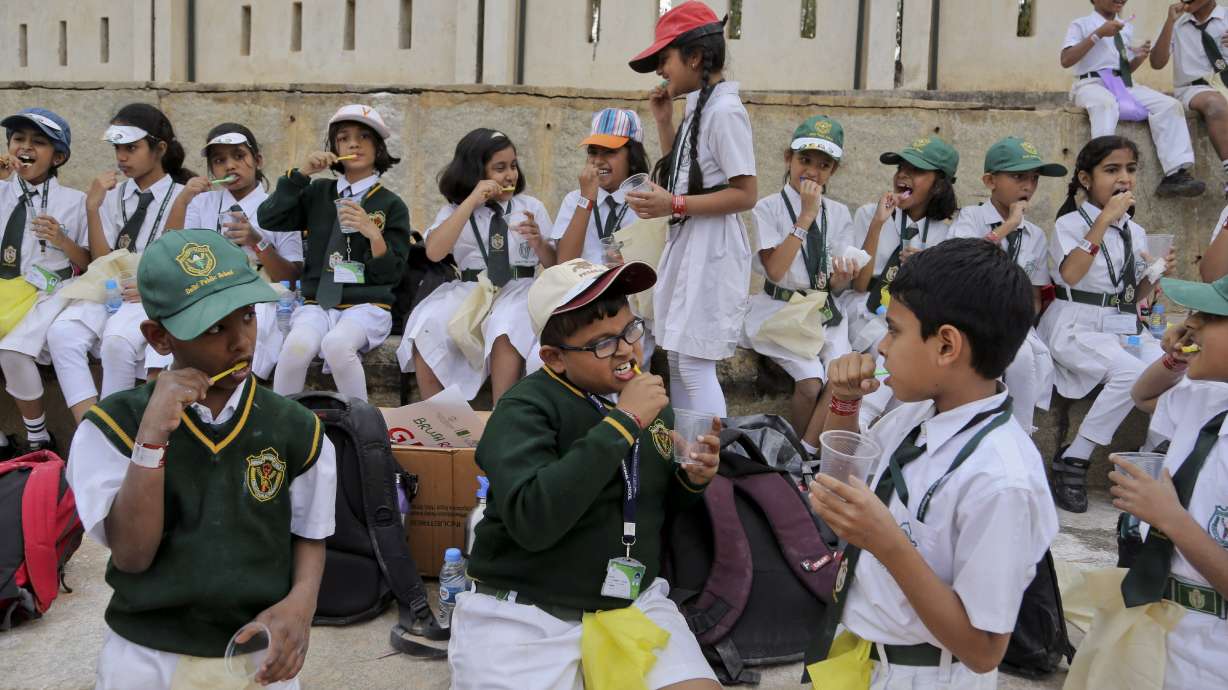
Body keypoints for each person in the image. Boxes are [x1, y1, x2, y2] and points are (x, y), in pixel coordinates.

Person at [65, 229, 336, 689]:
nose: (241, 344)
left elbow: (309, 534)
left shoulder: (297, 429)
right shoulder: (112, 426)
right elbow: (132, 554)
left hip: (257, 652)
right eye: (214, 328)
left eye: (248, 317)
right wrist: (151, 438)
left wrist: (302, 604)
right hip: (147, 654)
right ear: (160, 337)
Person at [449, 257, 720, 690]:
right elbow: (533, 520)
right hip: (525, 613)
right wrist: (622, 425)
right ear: (554, 359)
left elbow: (652, 503)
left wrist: (692, 479)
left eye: (631, 330)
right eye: (602, 344)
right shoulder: (524, 409)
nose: (627, 350)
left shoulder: (648, 403)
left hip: (630, 603)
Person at [806, 238, 1058, 689]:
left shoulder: (1001, 481)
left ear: (946, 346)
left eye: (895, 330)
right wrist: (843, 405)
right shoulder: (911, 417)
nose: (881, 347)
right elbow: (841, 493)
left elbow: (983, 651)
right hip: (859, 655)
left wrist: (887, 542)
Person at [1082, 273, 1228, 690]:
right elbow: (1143, 396)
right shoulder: (1208, 398)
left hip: (1211, 660)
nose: (1191, 323)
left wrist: (1171, 519)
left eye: (1210, 316)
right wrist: (1177, 360)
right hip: (1155, 635)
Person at [625, 0, 757, 418]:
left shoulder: (725, 112)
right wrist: (664, 123)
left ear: (695, 56)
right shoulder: (700, 107)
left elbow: (746, 193)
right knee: (680, 361)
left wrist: (674, 203)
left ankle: (705, 464)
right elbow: (683, 177)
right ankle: (689, 458)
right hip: (690, 243)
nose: (662, 70)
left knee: (696, 366)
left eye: (665, 59)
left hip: (711, 248)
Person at [1040, 135, 1176, 513]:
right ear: (1086, 179)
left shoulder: (1135, 231)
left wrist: (1156, 273)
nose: (1124, 178)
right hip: (1075, 325)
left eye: (1130, 170)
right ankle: (1075, 457)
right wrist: (1103, 220)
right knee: (1132, 374)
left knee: (1175, 368)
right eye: (1112, 170)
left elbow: (1132, 293)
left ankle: (1148, 461)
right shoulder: (1070, 223)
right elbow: (1070, 274)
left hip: (1120, 324)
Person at [47, 104, 191, 422]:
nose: (121, 157)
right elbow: (101, 260)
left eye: (132, 148)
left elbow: (182, 257)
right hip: (110, 290)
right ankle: (89, 426)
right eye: (118, 148)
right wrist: (92, 208)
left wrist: (152, 286)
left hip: (150, 294)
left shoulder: (185, 195)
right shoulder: (114, 196)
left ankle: (116, 432)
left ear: (160, 149)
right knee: (61, 333)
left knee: (116, 342)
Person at [257, 104, 410, 402]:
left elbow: (391, 273)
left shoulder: (391, 204)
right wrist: (301, 174)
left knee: (338, 347)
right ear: (334, 147)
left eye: (364, 137)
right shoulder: (317, 192)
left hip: (367, 305)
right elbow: (269, 218)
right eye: (344, 138)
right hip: (317, 303)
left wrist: (372, 232)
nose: (354, 143)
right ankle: (285, 430)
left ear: (379, 148)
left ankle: (364, 429)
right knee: (294, 348)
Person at [398, 127, 554, 404]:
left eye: (513, 166)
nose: (510, 175)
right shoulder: (455, 210)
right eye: (499, 168)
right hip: (471, 288)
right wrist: (470, 202)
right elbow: (434, 252)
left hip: (518, 287)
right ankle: (438, 418)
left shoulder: (530, 206)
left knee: (504, 327)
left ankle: (501, 414)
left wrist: (538, 242)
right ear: (475, 173)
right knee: (428, 324)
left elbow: (554, 265)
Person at [742, 115, 856, 446]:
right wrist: (805, 216)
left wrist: (842, 278)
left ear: (832, 171)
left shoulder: (838, 213)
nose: (812, 171)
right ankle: (805, 454)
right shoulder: (768, 208)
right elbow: (776, 270)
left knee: (840, 375)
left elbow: (832, 285)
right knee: (810, 382)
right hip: (780, 310)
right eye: (804, 160)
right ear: (788, 159)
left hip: (822, 310)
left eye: (823, 165)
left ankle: (808, 452)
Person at [166, 122, 304, 382]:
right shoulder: (201, 203)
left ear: (258, 160)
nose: (230, 166)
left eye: (239, 156)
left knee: (252, 336)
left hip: (263, 299)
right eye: (219, 160)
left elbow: (293, 278)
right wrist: (182, 199)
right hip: (207, 295)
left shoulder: (281, 206)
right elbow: (170, 251)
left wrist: (258, 242)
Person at [949, 136, 1067, 434]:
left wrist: (1023, 322)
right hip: (969, 314)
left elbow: (1035, 293)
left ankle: (1021, 433)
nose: (1027, 186)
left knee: (1025, 355)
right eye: (1018, 177)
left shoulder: (1036, 235)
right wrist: (1008, 226)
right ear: (990, 180)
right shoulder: (970, 217)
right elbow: (961, 262)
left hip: (1013, 320)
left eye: (1033, 178)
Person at [846, 135, 960, 426]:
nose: (904, 175)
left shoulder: (947, 234)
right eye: (901, 167)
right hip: (866, 310)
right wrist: (878, 223)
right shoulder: (868, 215)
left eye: (918, 171)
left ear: (939, 185)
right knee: (896, 347)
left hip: (910, 315)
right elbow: (859, 284)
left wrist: (925, 267)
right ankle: (861, 423)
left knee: (913, 362)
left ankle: (883, 438)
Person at [0, 108, 88, 453]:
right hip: (7, 289)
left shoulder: (75, 201)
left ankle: (38, 437)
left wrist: (63, 240)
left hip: (48, 291)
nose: (26, 147)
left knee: (13, 352)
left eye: (38, 142)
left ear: (59, 156)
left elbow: (90, 261)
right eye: (18, 139)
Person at [1061, 0, 1204, 198]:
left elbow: (1125, 70)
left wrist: (1138, 58)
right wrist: (1098, 34)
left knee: (1169, 105)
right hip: (1091, 84)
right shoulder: (1081, 24)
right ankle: (1101, 169)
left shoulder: (1126, 27)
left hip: (1123, 84)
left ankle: (1175, 173)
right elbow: (1066, 59)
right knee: (1105, 104)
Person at [552, 108, 655, 363]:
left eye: (610, 152)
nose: (599, 161)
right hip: (582, 304)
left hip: (630, 307)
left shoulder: (648, 198)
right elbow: (564, 261)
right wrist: (587, 199)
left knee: (622, 359)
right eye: (593, 152)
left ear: (632, 155)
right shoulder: (574, 200)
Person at [1151, 0, 1228, 197]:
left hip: (1225, 83)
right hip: (1195, 88)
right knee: (1215, 105)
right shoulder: (1177, 23)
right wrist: (1169, 22)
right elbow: (1157, 63)